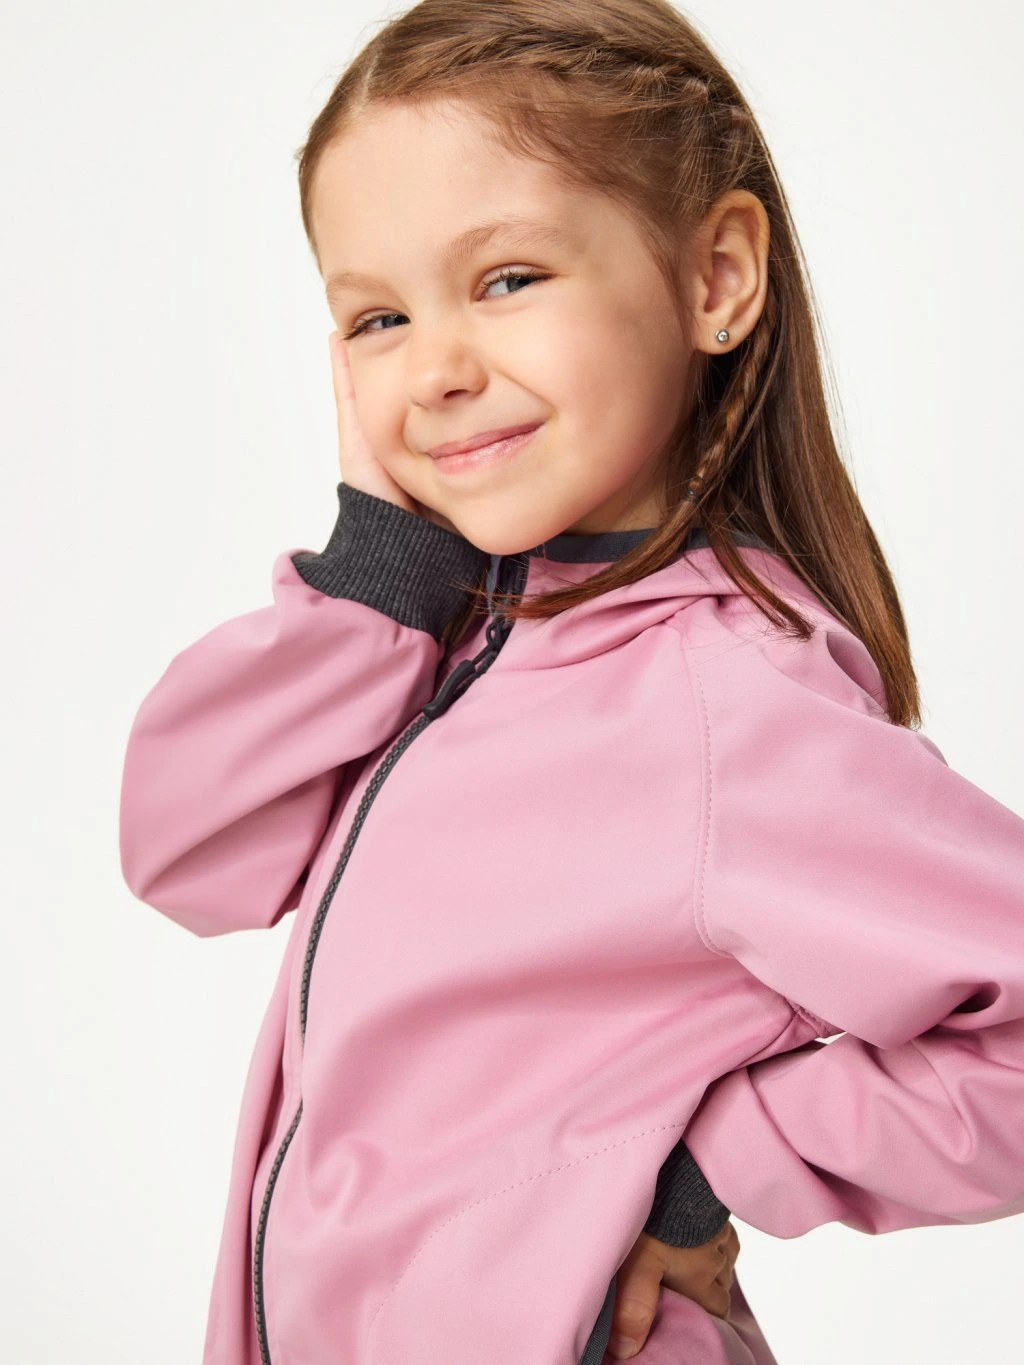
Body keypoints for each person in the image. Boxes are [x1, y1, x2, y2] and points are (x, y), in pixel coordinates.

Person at [117, 1, 1024, 1362]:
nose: (437, 367)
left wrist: (721, 1161)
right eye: (378, 317)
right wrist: (378, 578)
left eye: (508, 279)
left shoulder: (726, 705)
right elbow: (184, 849)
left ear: (716, 278)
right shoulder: (439, 646)